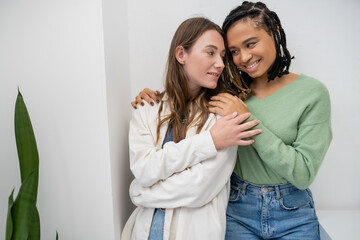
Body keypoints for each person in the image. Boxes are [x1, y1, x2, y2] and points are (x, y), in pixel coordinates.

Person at [131, 2, 333, 239]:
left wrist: (247, 117)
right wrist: (155, 98)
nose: (243, 58)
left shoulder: (311, 93)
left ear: (275, 32)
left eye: (250, 44)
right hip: (237, 208)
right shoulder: (227, 92)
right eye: (234, 52)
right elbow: (187, 97)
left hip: (293, 210)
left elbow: (303, 173)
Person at [122, 17, 261, 240]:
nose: (221, 63)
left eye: (223, 56)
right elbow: (144, 170)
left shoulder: (224, 115)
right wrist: (209, 142)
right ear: (181, 55)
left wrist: (140, 192)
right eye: (210, 52)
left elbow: (199, 188)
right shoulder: (146, 108)